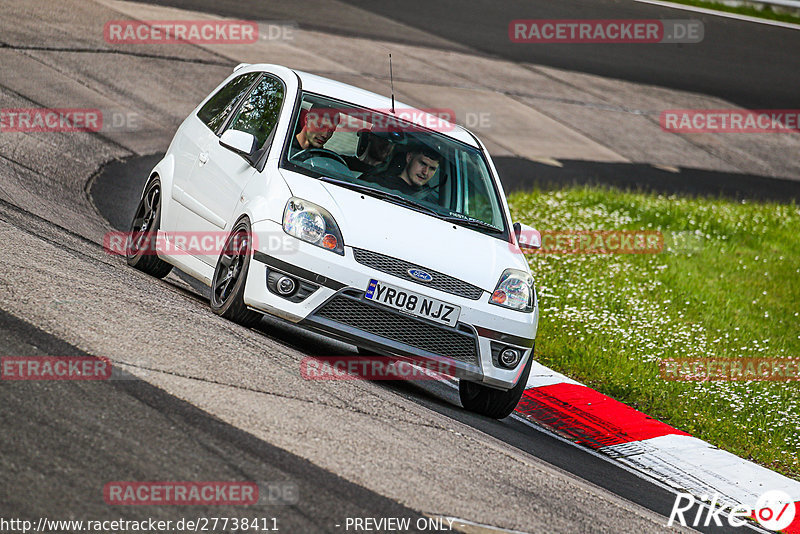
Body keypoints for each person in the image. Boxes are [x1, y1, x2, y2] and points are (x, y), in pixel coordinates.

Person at [362, 144, 442, 204]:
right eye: (422, 163)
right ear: (409, 158)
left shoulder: (432, 202)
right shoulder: (376, 184)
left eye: (432, 168)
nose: (425, 172)